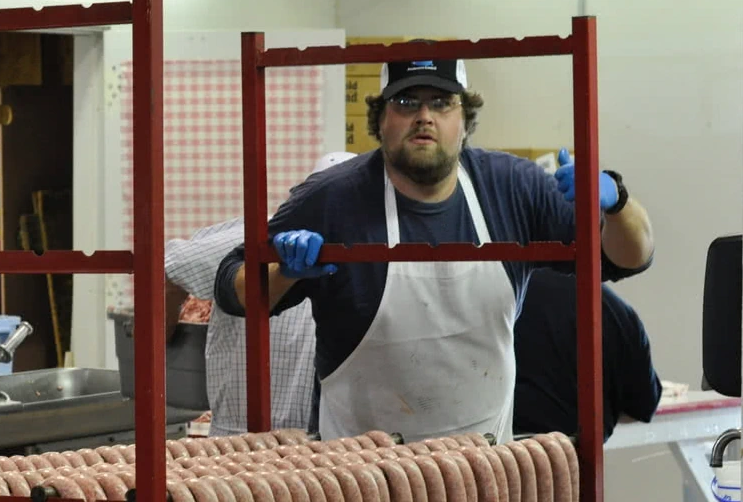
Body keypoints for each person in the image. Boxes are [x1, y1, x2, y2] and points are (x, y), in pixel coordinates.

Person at [214, 48, 655, 442]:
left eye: (442, 103)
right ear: (381, 120)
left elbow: (628, 257)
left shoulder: (512, 188)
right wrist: (285, 270)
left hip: (483, 469)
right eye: (406, 103)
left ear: (464, 122)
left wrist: (616, 201)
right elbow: (232, 290)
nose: (424, 116)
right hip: (363, 474)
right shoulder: (333, 199)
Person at [164, 151, 357, 437]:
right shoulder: (259, 234)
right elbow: (167, 268)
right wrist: (156, 365)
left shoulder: (374, 250)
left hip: (330, 442)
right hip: (242, 440)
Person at [513, 267, 662, 440]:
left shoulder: (497, 291)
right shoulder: (614, 309)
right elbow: (643, 407)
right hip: (576, 455)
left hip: (489, 451)